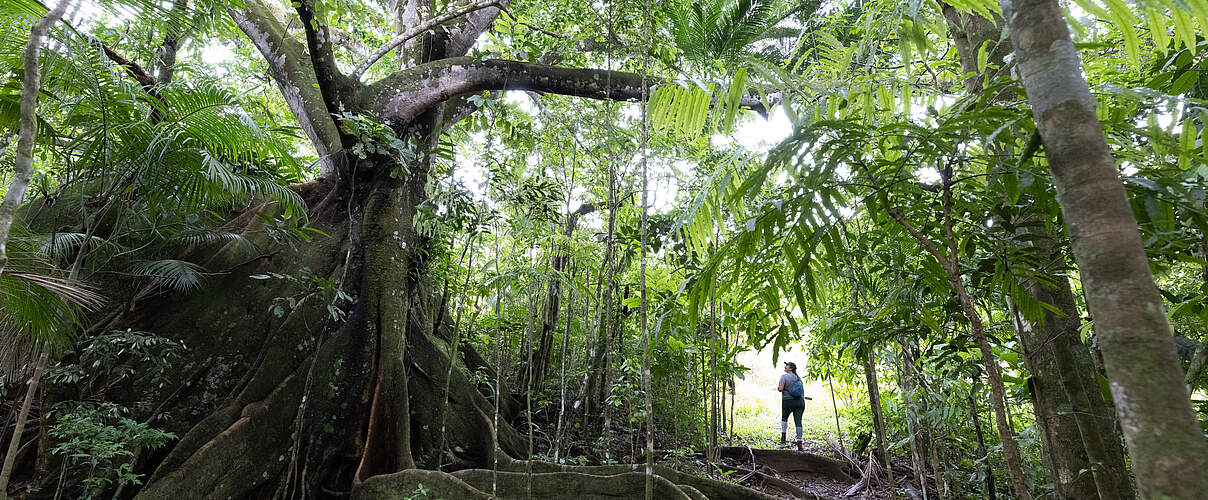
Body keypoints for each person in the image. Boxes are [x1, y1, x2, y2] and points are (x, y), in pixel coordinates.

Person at [777, 361, 810, 449]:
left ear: (790, 368)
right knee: (798, 422)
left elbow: (780, 389)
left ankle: (783, 438)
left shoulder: (783, 377)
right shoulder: (798, 378)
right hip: (800, 402)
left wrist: (779, 388)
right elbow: (802, 392)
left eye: (786, 365)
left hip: (788, 402)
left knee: (784, 418)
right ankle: (799, 443)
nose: (785, 366)